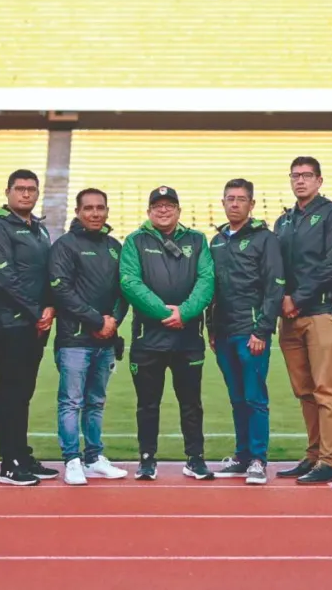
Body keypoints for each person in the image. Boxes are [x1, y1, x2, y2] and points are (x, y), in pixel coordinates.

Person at [120, 186, 216, 481]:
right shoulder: (134, 241)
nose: (164, 210)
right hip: (147, 340)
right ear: (149, 211)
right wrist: (165, 313)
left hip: (188, 339)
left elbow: (207, 280)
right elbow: (129, 282)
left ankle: (195, 458)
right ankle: (147, 459)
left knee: (191, 403)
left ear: (179, 210)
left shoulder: (197, 240)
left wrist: (184, 313)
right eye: (158, 206)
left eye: (170, 205)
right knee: (147, 404)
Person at [273, 157, 332, 484]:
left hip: (321, 311)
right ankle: (313, 453)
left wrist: (298, 297)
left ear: (319, 180)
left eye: (307, 176)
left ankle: (330, 460)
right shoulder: (284, 220)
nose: (300, 181)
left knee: (326, 389)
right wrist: (279, 301)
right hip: (290, 317)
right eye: (295, 176)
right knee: (304, 390)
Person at [49, 188, 129, 485]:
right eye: (89, 208)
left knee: (96, 401)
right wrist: (96, 320)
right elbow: (61, 291)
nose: (95, 213)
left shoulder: (114, 246)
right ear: (78, 212)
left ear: (107, 211)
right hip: (75, 340)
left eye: (100, 208)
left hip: (105, 341)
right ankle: (71, 460)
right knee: (71, 401)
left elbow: (125, 290)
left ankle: (94, 457)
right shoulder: (65, 246)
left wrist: (113, 322)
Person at [0, 169, 58, 486]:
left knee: (24, 392)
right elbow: (5, 278)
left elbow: (47, 274)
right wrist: (35, 311)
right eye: (20, 189)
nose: (26, 194)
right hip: (12, 323)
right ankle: (10, 462)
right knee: (12, 392)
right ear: (8, 192)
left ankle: (22, 453)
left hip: (37, 324)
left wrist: (50, 307)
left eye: (31, 189)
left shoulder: (39, 230)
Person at [208, 179, 284, 485]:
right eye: (230, 199)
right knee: (236, 398)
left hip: (250, 332)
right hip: (224, 333)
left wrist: (262, 330)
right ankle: (241, 456)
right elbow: (211, 289)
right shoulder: (216, 241)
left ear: (252, 205)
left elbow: (275, 286)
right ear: (223, 203)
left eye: (241, 199)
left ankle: (257, 460)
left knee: (254, 397)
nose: (235, 204)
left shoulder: (265, 239)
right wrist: (211, 329)